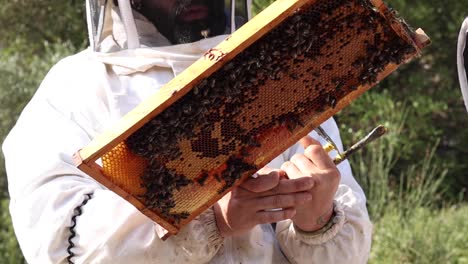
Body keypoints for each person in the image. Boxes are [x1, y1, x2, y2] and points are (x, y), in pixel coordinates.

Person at [2, 0, 372, 263]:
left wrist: (317, 218)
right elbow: (62, 246)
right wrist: (210, 219)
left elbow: (349, 252)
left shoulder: (281, 70)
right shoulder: (72, 93)